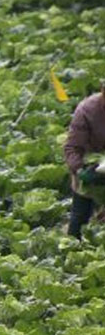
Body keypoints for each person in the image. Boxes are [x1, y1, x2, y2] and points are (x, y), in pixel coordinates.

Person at [64, 81, 105, 240]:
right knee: (80, 217)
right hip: (89, 166)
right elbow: (72, 147)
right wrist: (80, 170)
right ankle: (72, 249)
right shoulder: (87, 110)